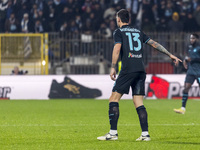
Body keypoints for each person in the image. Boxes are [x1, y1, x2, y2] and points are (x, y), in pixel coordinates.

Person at [97, 9, 182, 141]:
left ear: (119, 19)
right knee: (138, 102)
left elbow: (117, 48)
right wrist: (170, 54)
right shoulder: (138, 31)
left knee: (113, 99)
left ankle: (113, 133)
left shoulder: (118, 32)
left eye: (116, 18)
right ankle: (145, 134)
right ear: (129, 19)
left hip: (127, 69)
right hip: (140, 70)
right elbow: (154, 44)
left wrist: (113, 67)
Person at [174, 33, 200, 114]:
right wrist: (185, 60)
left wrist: (191, 59)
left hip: (199, 71)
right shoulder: (189, 47)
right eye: (191, 38)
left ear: (197, 39)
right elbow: (188, 57)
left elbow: (194, 58)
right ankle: (183, 109)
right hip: (191, 71)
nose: (191, 40)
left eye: (193, 38)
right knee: (186, 88)